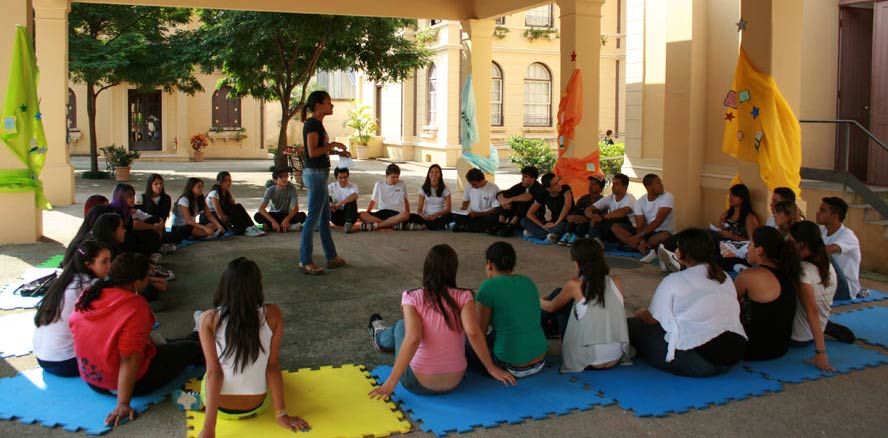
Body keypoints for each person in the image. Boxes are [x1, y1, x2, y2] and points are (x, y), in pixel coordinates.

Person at [174, 258, 310, 435]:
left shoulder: (208, 319)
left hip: (219, 409)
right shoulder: (273, 314)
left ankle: (197, 402)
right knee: (270, 366)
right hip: (257, 407)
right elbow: (272, 367)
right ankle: (201, 402)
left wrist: (208, 429)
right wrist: (281, 415)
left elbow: (214, 373)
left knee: (208, 375)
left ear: (224, 286)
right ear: (257, 286)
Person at [70, 253, 204, 427]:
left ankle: (200, 331)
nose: (149, 281)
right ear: (137, 282)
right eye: (147, 277)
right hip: (132, 383)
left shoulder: (90, 293)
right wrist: (123, 403)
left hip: (93, 380)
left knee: (173, 344)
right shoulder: (134, 305)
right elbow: (130, 358)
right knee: (191, 351)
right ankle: (220, 339)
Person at [368, 244, 516, 397]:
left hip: (417, 383)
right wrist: (491, 368)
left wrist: (391, 381)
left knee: (402, 326)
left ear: (427, 267)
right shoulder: (465, 296)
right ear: (454, 270)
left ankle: (379, 338)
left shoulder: (411, 296)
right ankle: (381, 337)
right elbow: (473, 332)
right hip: (456, 381)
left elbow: (413, 338)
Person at [629, 228, 747, 377]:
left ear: (682, 252)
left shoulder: (674, 280)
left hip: (700, 363)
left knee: (633, 325)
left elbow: (652, 319)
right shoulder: (723, 276)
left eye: (678, 246)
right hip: (732, 357)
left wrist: (640, 313)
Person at [539, 239, 631, 372]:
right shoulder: (615, 281)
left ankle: (540, 332)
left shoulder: (575, 284)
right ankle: (547, 328)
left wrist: (537, 299)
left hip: (586, 360)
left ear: (577, 262)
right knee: (561, 295)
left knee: (557, 300)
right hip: (614, 357)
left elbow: (551, 307)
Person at [33, 240, 112, 377]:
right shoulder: (88, 286)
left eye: (110, 261)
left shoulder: (66, 280)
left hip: (43, 358)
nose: (109, 266)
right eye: (104, 262)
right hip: (65, 362)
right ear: (88, 264)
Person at [471, 242, 548, 378]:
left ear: (489, 264)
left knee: (468, 339)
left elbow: (479, 333)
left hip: (510, 367)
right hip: (540, 360)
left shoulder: (488, 287)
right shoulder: (527, 282)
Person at [300, 90, 348, 275]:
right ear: (318, 106)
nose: (332, 105)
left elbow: (320, 150)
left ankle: (331, 256)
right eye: (329, 102)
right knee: (312, 219)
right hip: (315, 174)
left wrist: (337, 152)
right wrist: (333, 145)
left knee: (324, 217)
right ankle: (305, 260)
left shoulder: (318, 124)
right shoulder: (312, 124)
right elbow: (312, 152)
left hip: (320, 173)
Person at [734, 226, 800, 361]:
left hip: (753, 349)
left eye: (750, 244)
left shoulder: (748, 276)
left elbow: (727, 305)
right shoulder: (788, 271)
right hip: (781, 347)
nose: (747, 249)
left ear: (759, 250)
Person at [788, 221, 836, 372]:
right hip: (814, 330)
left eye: (791, 242)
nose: (788, 245)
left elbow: (812, 310)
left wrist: (821, 353)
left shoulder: (803, 271)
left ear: (800, 244)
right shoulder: (828, 266)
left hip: (798, 337)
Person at [612, 173, 676, 261]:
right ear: (649, 187)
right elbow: (640, 226)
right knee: (615, 227)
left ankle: (640, 246)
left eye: (661, 182)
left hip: (662, 232)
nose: (661, 185)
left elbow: (658, 221)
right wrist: (641, 239)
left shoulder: (667, 196)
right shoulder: (640, 202)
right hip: (646, 233)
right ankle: (643, 247)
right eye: (657, 183)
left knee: (663, 236)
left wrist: (637, 237)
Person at [816, 197, 864, 300]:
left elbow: (825, 251)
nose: (818, 213)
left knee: (822, 253)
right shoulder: (821, 230)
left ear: (834, 217)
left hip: (845, 288)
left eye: (822, 210)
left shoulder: (848, 235)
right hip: (828, 281)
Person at [708, 184, 762, 273]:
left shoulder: (749, 217)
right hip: (722, 244)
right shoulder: (727, 214)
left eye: (734, 195)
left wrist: (733, 236)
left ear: (743, 198)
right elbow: (720, 228)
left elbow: (752, 242)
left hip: (736, 249)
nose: (731, 198)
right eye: (730, 195)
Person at [110, 183, 165, 258]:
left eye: (133, 195)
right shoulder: (115, 212)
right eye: (129, 196)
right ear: (121, 197)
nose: (133, 198)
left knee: (154, 221)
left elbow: (134, 223)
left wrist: (156, 226)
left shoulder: (127, 210)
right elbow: (134, 225)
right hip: (120, 242)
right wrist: (154, 227)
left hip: (129, 237)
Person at [205, 171, 265, 237]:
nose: (228, 183)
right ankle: (245, 229)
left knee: (238, 206)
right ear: (219, 182)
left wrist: (228, 192)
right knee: (233, 210)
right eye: (225, 181)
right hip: (212, 216)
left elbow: (232, 204)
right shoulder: (214, 194)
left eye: (229, 180)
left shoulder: (226, 193)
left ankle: (251, 226)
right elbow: (221, 216)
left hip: (222, 215)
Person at [491, 166, 544, 237]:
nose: (522, 179)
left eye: (525, 177)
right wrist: (502, 201)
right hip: (515, 213)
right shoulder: (521, 185)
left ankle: (511, 225)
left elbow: (528, 197)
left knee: (522, 201)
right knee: (507, 196)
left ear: (533, 178)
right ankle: (501, 223)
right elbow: (503, 192)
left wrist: (510, 200)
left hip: (530, 217)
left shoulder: (539, 188)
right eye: (522, 176)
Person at [521, 173, 573, 243]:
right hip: (551, 222)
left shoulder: (565, 189)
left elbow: (567, 206)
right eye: (555, 184)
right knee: (524, 221)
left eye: (558, 181)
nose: (559, 185)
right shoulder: (543, 194)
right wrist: (543, 226)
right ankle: (550, 235)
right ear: (548, 188)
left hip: (563, 221)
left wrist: (556, 223)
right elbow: (530, 213)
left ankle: (538, 233)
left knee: (564, 226)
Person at [585, 173, 636, 244]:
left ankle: (595, 240)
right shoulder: (610, 197)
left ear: (625, 187)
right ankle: (594, 240)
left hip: (628, 228)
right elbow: (589, 209)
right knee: (596, 216)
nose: (613, 186)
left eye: (616, 184)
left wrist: (602, 217)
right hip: (612, 227)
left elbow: (622, 212)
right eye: (613, 183)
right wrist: (593, 217)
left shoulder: (630, 198)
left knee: (610, 220)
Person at [359, 163, 410, 231]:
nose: (395, 179)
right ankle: (393, 224)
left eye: (397, 177)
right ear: (386, 176)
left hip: (396, 214)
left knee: (405, 215)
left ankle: (377, 225)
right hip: (382, 212)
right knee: (361, 215)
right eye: (393, 177)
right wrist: (368, 212)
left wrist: (408, 214)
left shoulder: (402, 183)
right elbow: (373, 201)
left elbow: (406, 200)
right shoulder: (379, 184)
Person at [254, 169, 306, 233]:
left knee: (302, 215)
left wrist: (286, 219)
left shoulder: (291, 188)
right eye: (281, 177)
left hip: (286, 214)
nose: (284, 179)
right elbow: (261, 209)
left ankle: (270, 226)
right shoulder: (270, 190)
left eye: (286, 176)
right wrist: (273, 221)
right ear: (275, 180)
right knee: (257, 216)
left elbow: (295, 208)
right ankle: (288, 226)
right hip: (274, 214)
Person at [138, 173, 182, 245]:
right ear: (150, 185)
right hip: (147, 228)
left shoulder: (166, 198)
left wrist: (160, 229)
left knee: (177, 236)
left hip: (161, 228)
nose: (159, 186)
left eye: (161, 184)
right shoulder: (143, 198)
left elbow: (164, 217)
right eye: (156, 184)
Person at [561, 176, 605, 246]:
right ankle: (568, 234)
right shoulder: (584, 198)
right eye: (590, 183)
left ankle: (580, 236)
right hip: (579, 221)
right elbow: (576, 210)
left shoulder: (603, 201)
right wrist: (574, 217)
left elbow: (601, 218)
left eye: (594, 184)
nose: (591, 186)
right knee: (573, 216)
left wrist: (586, 219)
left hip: (591, 225)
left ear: (601, 189)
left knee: (588, 222)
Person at [452, 168, 500, 233]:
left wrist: (478, 214)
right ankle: (473, 228)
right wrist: (462, 209)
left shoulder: (493, 188)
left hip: (486, 214)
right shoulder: (468, 186)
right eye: (471, 184)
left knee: (493, 219)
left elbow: (495, 209)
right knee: (456, 217)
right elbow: (466, 201)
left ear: (482, 180)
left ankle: (466, 227)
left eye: (474, 184)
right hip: (473, 214)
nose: (472, 186)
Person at [408, 164, 452, 231]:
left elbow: (448, 209)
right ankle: (434, 226)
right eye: (431, 172)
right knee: (409, 216)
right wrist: (424, 216)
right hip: (427, 217)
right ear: (428, 174)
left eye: (436, 172)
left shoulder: (445, 189)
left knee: (451, 216)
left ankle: (424, 226)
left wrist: (435, 215)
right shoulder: (423, 188)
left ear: (440, 175)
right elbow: (419, 210)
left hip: (439, 217)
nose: (433, 174)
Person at [328, 167, 359, 233]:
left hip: (350, 217)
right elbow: (322, 196)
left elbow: (354, 196)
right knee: (326, 198)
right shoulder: (332, 186)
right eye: (340, 178)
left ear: (348, 176)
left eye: (345, 177)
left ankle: (348, 225)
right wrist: (330, 204)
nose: (343, 180)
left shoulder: (353, 186)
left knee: (351, 200)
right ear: (336, 178)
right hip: (335, 216)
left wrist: (339, 204)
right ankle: (323, 221)